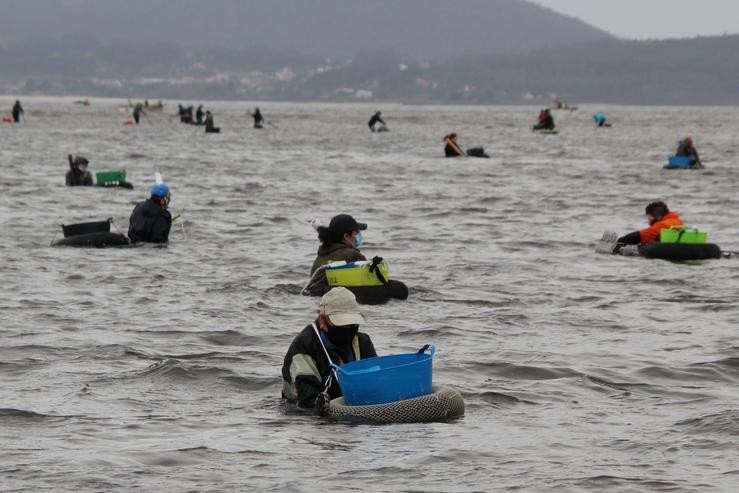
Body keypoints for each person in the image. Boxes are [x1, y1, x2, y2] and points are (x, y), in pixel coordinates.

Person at [282, 286, 377, 410]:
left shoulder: (363, 342)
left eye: (352, 324)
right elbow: (306, 401)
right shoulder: (303, 347)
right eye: (341, 324)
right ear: (322, 319)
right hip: (307, 415)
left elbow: (376, 383)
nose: (347, 329)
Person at [616, 201, 683, 247]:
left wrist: (619, 242)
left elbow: (638, 236)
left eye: (649, 218)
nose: (648, 222)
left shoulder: (661, 225)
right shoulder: (677, 221)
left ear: (658, 217)